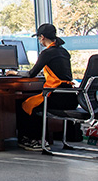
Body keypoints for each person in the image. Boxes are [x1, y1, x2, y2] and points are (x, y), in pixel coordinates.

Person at [16, 23, 76, 151]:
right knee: (34, 102)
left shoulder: (47, 53)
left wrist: (14, 73)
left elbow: (31, 74)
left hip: (56, 96)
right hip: (70, 97)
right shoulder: (64, 52)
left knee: (25, 104)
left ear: (42, 37)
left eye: (39, 38)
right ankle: (41, 138)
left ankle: (32, 140)